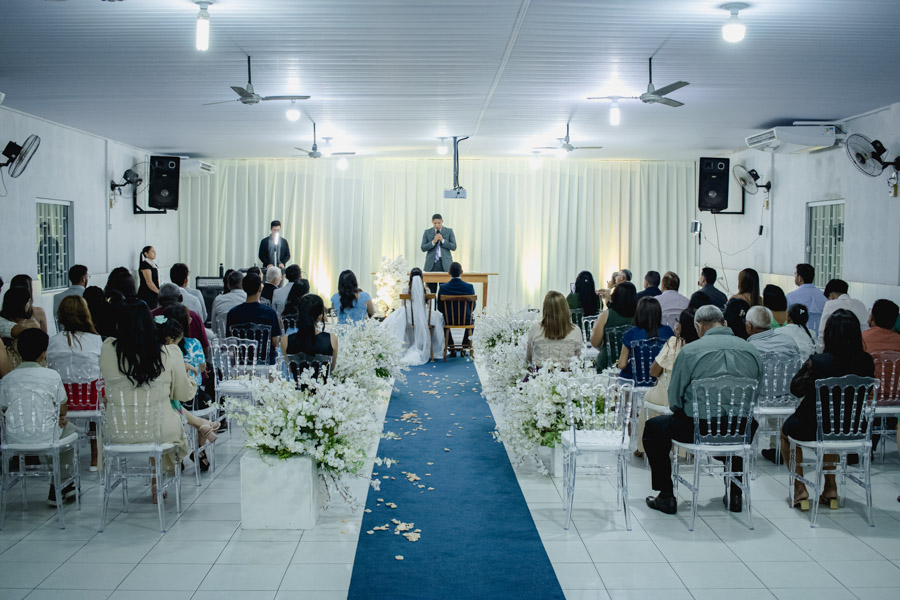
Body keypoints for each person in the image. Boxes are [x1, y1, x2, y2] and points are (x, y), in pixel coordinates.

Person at [643, 305, 762, 515]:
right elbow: (756, 391)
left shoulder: (690, 351)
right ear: (724, 322)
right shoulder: (751, 350)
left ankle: (666, 495)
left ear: (698, 326)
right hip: (741, 429)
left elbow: (675, 399)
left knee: (653, 429)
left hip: (698, 428)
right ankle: (735, 494)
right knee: (737, 424)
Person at [99, 299, 196, 497]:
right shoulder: (168, 352)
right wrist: (190, 380)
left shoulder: (108, 349)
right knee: (168, 419)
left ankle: (155, 478)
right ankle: (158, 478)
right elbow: (183, 394)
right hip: (159, 432)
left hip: (117, 431)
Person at [781, 309, 874, 509]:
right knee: (833, 430)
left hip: (813, 425)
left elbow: (796, 389)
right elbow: (868, 392)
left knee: (786, 433)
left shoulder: (818, 362)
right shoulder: (866, 361)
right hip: (853, 427)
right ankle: (831, 487)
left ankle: (799, 489)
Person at [0, 328, 78, 506]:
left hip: (12, 439)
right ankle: (59, 483)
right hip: (46, 436)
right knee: (68, 430)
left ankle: (63, 485)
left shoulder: (8, 379)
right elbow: (63, 409)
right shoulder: (52, 376)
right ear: (44, 354)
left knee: (55, 428)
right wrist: (57, 416)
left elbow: (4, 408)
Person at [46, 295, 103, 470]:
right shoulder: (95, 340)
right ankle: (96, 457)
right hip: (91, 401)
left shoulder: (53, 342)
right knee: (98, 385)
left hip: (64, 402)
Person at [634, 308, 699, 456]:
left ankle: (643, 447)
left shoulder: (673, 343)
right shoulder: (701, 348)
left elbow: (653, 371)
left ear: (682, 326)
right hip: (689, 400)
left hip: (664, 396)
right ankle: (685, 450)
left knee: (649, 398)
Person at [380, 268, 445, 366]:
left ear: (410, 278)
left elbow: (403, 306)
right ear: (422, 278)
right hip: (425, 319)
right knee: (439, 318)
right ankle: (432, 348)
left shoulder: (405, 290)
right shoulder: (427, 290)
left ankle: (409, 345)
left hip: (409, 318)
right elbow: (430, 308)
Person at [152, 284, 211, 372]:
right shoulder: (192, 316)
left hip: (160, 369)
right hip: (192, 371)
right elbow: (205, 349)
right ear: (181, 298)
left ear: (158, 300)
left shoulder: (151, 316)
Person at [226, 272, 282, 363]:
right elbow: (275, 342)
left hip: (242, 363)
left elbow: (230, 341)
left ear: (244, 288)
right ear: (260, 288)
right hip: (266, 363)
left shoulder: (232, 313)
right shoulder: (270, 313)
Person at [617, 297, 674, 380]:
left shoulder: (631, 333)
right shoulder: (668, 331)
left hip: (634, 381)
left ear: (639, 313)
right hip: (660, 380)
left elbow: (622, 364)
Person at [525, 291, 583, 368]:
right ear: (566, 308)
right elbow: (579, 359)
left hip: (541, 374)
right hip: (568, 374)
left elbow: (529, 359)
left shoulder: (535, 329)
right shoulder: (575, 330)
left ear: (545, 309)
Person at [281, 294, 338, 372]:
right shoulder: (332, 339)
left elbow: (291, 369)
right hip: (322, 380)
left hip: (298, 380)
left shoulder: (285, 340)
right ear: (320, 317)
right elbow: (331, 368)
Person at [590, 281, 636, 371]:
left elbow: (595, 342)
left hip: (606, 366)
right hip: (632, 366)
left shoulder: (606, 315)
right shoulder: (639, 315)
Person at [436, 262, 476, 356]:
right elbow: (473, 306)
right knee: (472, 320)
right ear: (461, 272)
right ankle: (464, 347)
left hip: (449, 319)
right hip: (465, 319)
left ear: (449, 273)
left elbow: (439, 307)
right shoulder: (469, 287)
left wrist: (448, 314)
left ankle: (451, 347)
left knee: (442, 321)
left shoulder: (443, 287)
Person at [817, 279, 869, 349]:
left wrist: (820, 350)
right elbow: (866, 328)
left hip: (836, 349)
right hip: (858, 347)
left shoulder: (830, 304)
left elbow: (822, 332)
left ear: (831, 295)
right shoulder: (860, 304)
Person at [785, 263, 827, 334]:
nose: (794, 276)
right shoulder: (824, 296)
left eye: (795, 274)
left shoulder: (790, 297)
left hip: (797, 336)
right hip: (821, 336)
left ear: (800, 278)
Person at [421, 213, 457, 292]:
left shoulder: (449, 231)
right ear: (432, 222)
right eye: (435, 223)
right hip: (431, 265)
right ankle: (432, 301)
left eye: (439, 223)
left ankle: (442, 301)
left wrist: (443, 240)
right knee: (431, 291)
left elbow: (454, 247)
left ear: (442, 221)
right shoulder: (427, 232)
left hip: (445, 264)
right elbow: (423, 248)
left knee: (445, 291)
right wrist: (433, 242)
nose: (437, 225)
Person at [211, 270, 247, 337]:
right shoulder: (248, 298)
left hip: (223, 341)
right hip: (244, 341)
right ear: (244, 284)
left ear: (228, 285)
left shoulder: (218, 300)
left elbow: (214, 328)